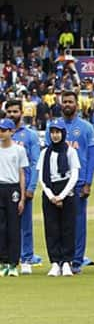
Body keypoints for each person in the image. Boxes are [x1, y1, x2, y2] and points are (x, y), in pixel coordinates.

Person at [47, 91, 94, 274]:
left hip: (78, 183)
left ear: (77, 104)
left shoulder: (86, 127)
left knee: (77, 223)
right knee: (56, 223)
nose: (67, 104)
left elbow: (91, 158)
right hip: (57, 183)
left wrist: (88, 182)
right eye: (64, 102)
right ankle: (60, 260)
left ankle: (76, 260)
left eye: (70, 101)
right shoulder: (53, 127)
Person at [38, 119, 79, 277]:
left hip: (66, 190)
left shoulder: (70, 151)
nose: (55, 136)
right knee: (52, 228)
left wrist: (62, 195)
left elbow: (74, 174)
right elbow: (42, 176)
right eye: (53, 132)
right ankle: (55, 262)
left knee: (68, 228)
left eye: (58, 132)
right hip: (50, 190)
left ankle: (67, 261)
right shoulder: (45, 153)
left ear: (63, 133)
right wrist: (51, 196)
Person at [6, 101, 40, 273]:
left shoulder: (30, 135)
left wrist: (31, 187)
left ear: (21, 112)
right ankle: (7, 258)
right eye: (9, 111)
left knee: (25, 224)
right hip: (4, 185)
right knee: (4, 224)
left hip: (23, 184)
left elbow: (35, 163)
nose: (12, 114)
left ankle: (26, 258)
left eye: (15, 111)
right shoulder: (2, 132)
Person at [0, 119, 27, 277]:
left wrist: (22, 197)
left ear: (12, 132)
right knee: (1, 227)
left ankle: (13, 263)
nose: (1, 133)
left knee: (14, 227)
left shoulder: (18, 150)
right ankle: (3, 262)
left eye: (4, 130)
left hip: (13, 189)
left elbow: (21, 174)